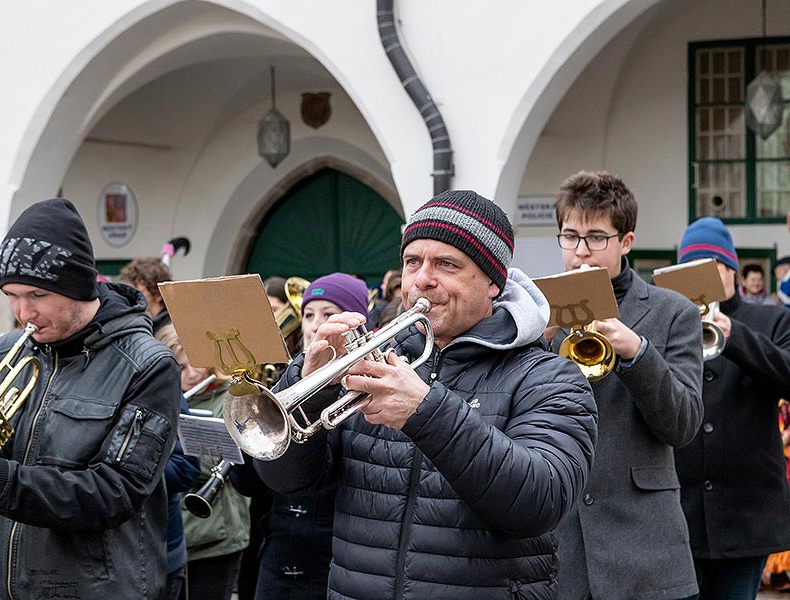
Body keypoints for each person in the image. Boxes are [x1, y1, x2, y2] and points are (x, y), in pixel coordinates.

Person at [253, 189, 597, 599]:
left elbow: (541, 502)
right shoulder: (374, 358)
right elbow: (286, 480)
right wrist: (309, 388)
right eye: (412, 261)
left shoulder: (549, 376)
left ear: (493, 282)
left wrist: (427, 411)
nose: (421, 279)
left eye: (446, 264)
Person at [0, 198, 180, 599]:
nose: (22, 311)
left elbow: (116, 492)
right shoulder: (1, 352)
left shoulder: (148, 364)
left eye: (37, 294)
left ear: (78, 285)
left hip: (95, 588)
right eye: (11, 294)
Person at [548, 171, 704, 600]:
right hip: (561, 556)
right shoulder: (537, 317)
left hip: (647, 556)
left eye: (596, 237)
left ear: (626, 241)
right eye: (570, 236)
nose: (581, 251)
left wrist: (638, 352)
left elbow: (683, 425)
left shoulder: (674, 312)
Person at [672, 217, 790, 600]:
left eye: (711, 266)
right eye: (690, 269)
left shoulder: (771, 319)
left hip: (747, 514)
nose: (701, 277)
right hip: (680, 513)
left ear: (731, 269)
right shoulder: (669, 323)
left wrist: (734, 334)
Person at [253, 272, 368, 600]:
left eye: (329, 314)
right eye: (308, 315)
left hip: (331, 565)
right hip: (278, 558)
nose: (315, 325)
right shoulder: (286, 379)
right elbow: (256, 483)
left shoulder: (369, 386)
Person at [180, 361, 250, 600]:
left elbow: (234, 467)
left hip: (217, 536)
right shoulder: (165, 396)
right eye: (179, 368)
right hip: (177, 532)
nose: (190, 375)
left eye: (194, 365)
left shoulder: (233, 399)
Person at [157, 325, 203, 600]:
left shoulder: (173, 397)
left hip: (165, 546)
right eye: (182, 368)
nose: (192, 375)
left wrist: (129, 471)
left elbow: (186, 468)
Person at [120, 256, 173, 335]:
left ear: (158, 294)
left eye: (138, 293)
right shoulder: (137, 325)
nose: (130, 299)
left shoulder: (172, 329)